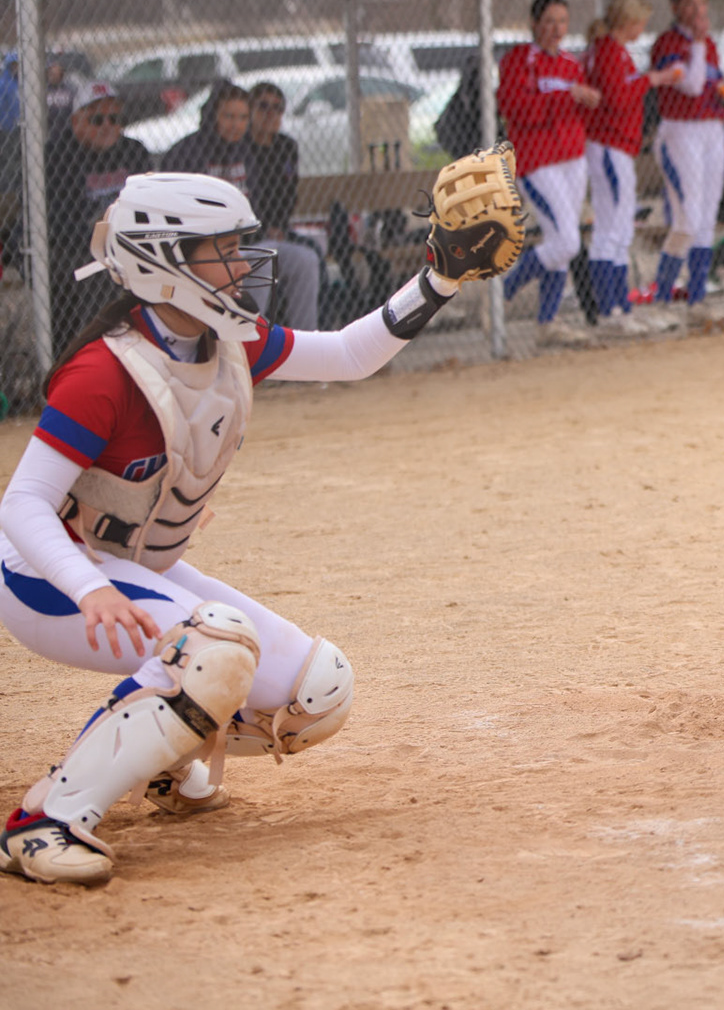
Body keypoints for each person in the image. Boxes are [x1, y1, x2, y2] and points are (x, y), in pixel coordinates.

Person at [0, 169, 483, 884]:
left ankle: (158, 760)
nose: (240, 264)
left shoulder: (224, 338)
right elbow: (21, 505)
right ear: (162, 263)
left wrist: (438, 280)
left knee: (317, 691)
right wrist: (88, 588)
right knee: (214, 646)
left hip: (129, 567)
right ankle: (45, 820)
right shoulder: (104, 371)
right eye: (220, 250)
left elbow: (349, 355)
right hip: (44, 578)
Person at [494, 0, 602, 346]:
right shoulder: (519, 61)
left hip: (572, 159)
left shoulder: (571, 64)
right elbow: (516, 109)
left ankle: (547, 323)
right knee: (568, 242)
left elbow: (579, 112)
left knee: (562, 243)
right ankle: (500, 294)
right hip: (537, 162)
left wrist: (585, 101)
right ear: (534, 23)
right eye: (550, 21)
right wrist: (565, 97)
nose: (557, 29)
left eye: (562, 21)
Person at [584, 0, 680, 335]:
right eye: (640, 22)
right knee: (613, 228)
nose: (642, 28)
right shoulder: (608, 50)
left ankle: (620, 307)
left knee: (620, 228)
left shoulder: (612, 50)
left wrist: (649, 79)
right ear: (629, 21)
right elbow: (617, 98)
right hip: (609, 145)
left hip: (616, 146)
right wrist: (651, 80)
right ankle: (609, 311)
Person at [647, 0, 724, 321]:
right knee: (688, 218)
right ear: (675, 7)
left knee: (707, 218)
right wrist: (697, 44)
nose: (698, 10)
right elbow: (693, 86)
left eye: (702, 2)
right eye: (689, 3)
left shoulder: (709, 44)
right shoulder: (667, 44)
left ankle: (697, 299)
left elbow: (710, 83)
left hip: (711, 130)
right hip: (680, 132)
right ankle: (662, 300)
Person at [45, 81, 151, 351]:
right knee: (95, 273)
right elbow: (60, 224)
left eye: (114, 118)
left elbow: (150, 209)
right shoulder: (58, 155)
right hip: (77, 249)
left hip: (127, 243)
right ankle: (89, 350)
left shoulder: (134, 151)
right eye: (96, 119)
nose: (107, 125)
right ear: (76, 121)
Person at [241, 82, 321, 332]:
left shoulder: (286, 147)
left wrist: (279, 227)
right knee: (265, 258)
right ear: (250, 110)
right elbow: (250, 200)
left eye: (277, 108)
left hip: (279, 230)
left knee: (313, 254)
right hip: (251, 235)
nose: (271, 114)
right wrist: (266, 229)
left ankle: (308, 338)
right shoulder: (240, 147)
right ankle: (256, 338)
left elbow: (287, 196)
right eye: (263, 106)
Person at [162, 81, 253, 184]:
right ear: (213, 116)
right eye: (229, 116)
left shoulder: (250, 150)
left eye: (243, 117)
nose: (236, 125)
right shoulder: (186, 153)